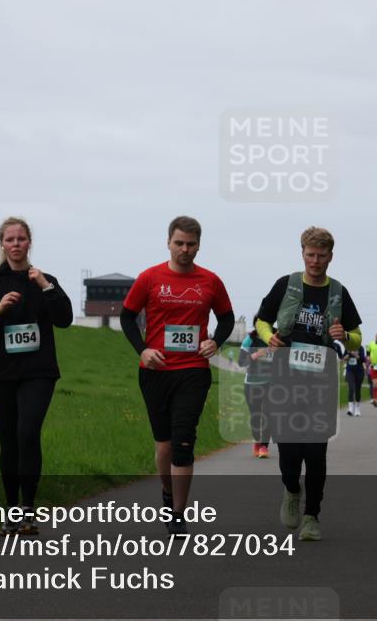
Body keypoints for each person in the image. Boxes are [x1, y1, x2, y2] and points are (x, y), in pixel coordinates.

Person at [120, 216, 235, 536]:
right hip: (155, 371)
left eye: (191, 244)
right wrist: (142, 350)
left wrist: (216, 340)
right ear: (168, 243)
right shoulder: (150, 277)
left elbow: (225, 318)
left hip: (193, 371)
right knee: (164, 446)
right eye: (179, 243)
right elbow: (127, 317)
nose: (185, 250)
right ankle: (167, 495)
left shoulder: (210, 281)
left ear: (199, 246)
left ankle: (178, 514)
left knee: (184, 441)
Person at [0, 217, 74, 535]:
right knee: (9, 441)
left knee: (27, 433)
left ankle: (28, 509)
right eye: (10, 239)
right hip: (0, 373)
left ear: (30, 243)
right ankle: (12, 510)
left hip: (38, 372)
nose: (15, 244)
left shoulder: (44, 280)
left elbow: (65, 319)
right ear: (2, 244)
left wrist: (45, 286)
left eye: (21, 239)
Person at [255, 227, 362, 541]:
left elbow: (356, 338)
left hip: (321, 381)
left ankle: (312, 516)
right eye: (310, 254)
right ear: (302, 253)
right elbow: (262, 319)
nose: (316, 260)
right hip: (285, 377)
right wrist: (268, 336)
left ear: (331, 256)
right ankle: (291, 489)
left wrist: (346, 337)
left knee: (316, 452)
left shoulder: (339, 292)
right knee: (289, 451)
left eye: (322, 255)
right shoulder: (285, 285)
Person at [238, 317, 273, 458]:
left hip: (271, 383)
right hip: (252, 383)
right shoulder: (249, 340)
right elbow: (241, 362)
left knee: (269, 414)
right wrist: (256, 355)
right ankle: (257, 441)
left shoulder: (276, 338)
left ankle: (264, 446)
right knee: (256, 415)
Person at [343, 345, 366, 416]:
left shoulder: (360, 348)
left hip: (359, 371)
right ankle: (350, 409)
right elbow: (344, 358)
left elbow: (362, 360)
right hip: (350, 370)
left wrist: (354, 354)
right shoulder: (347, 347)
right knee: (351, 388)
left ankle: (357, 409)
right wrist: (348, 355)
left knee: (357, 389)